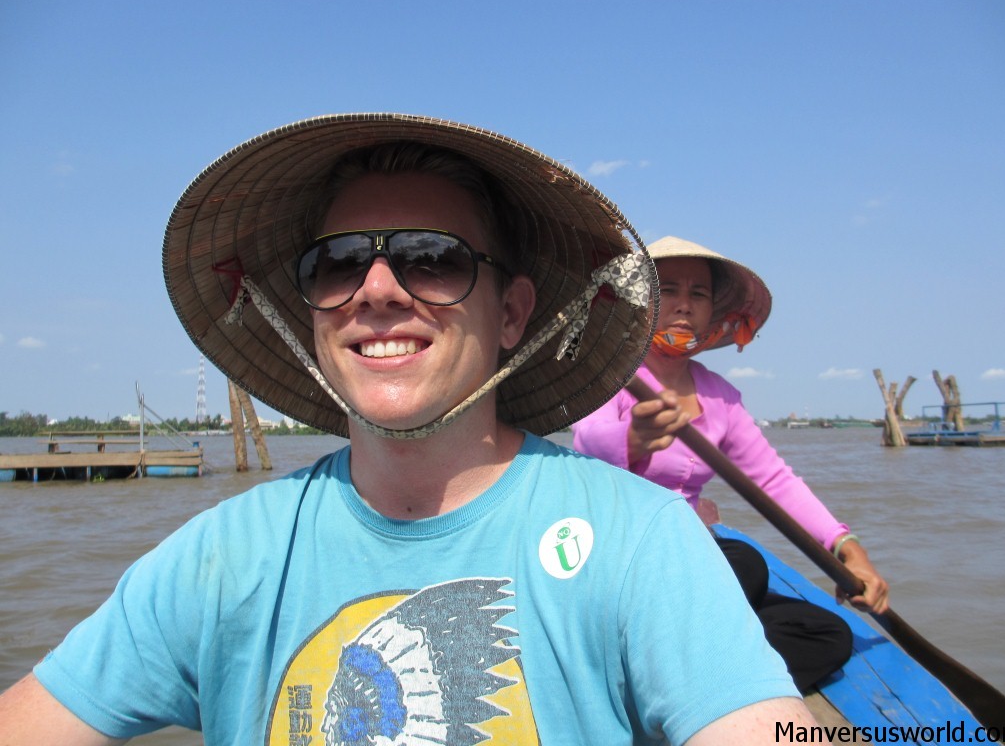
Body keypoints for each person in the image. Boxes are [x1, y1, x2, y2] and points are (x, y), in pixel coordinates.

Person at [0, 115, 817, 745]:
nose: (379, 289)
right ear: (313, 311)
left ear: (514, 315)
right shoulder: (225, 557)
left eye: (433, 257)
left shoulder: (642, 545)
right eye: (341, 261)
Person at [572, 236, 890, 693]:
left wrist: (847, 548)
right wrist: (634, 438)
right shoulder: (611, 374)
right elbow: (585, 442)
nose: (683, 305)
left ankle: (691, 690)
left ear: (712, 315)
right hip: (619, 560)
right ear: (641, 304)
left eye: (697, 294)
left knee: (827, 633)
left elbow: (775, 482)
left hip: (692, 568)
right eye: (669, 291)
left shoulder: (719, 397)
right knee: (744, 564)